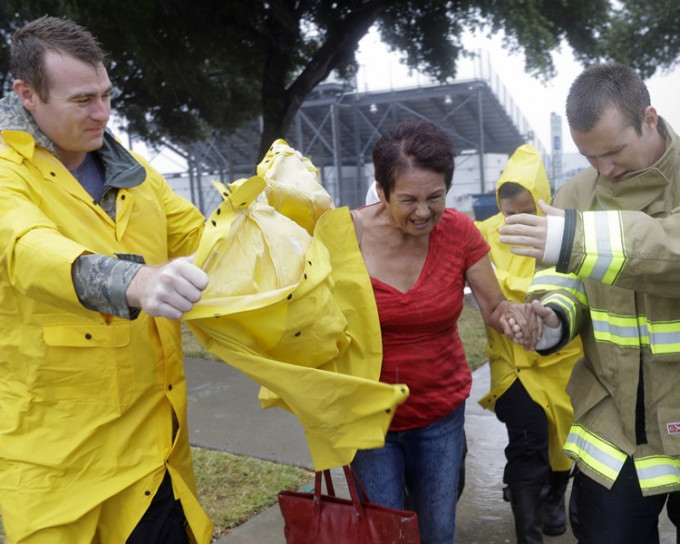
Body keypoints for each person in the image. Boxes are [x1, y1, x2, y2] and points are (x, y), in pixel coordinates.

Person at [0, 16, 213, 543]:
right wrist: (135, 282)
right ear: (27, 94)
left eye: (106, 95)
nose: (102, 114)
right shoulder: (7, 173)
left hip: (152, 455)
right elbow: (26, 248)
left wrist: (271, 216)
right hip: (57, 466)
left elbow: (208, 243)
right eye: (82, 100)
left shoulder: (136, 175)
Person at [498, 62, 680, 543]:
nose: (605, 170)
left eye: (614, 151)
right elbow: (563, 280)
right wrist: (551, 318)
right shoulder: (575, 193)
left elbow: (668, 250)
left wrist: (573, 236)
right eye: (589, 156)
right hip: (615, 420)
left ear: (648, 117)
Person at [350, 119, 537, 543]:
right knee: (384, 534)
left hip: (439, 416)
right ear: (380, 192)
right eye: (408, 199)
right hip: (366, 417)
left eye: (435, 197)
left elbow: (494, 306)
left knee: (437, 531)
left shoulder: (459, 232)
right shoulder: (346, 237)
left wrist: (516, 318)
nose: (422, 212)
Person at [474, 144, 582, 543]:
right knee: (529, 437)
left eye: (525, 211)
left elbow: (574, 289)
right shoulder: (483, 233)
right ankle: (529, 531)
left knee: (563, 439)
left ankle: (554, 495)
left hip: (559, 361)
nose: (515, 221)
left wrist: (514, 294)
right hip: (511, 362)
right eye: (508, 212)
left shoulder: (565, 231)